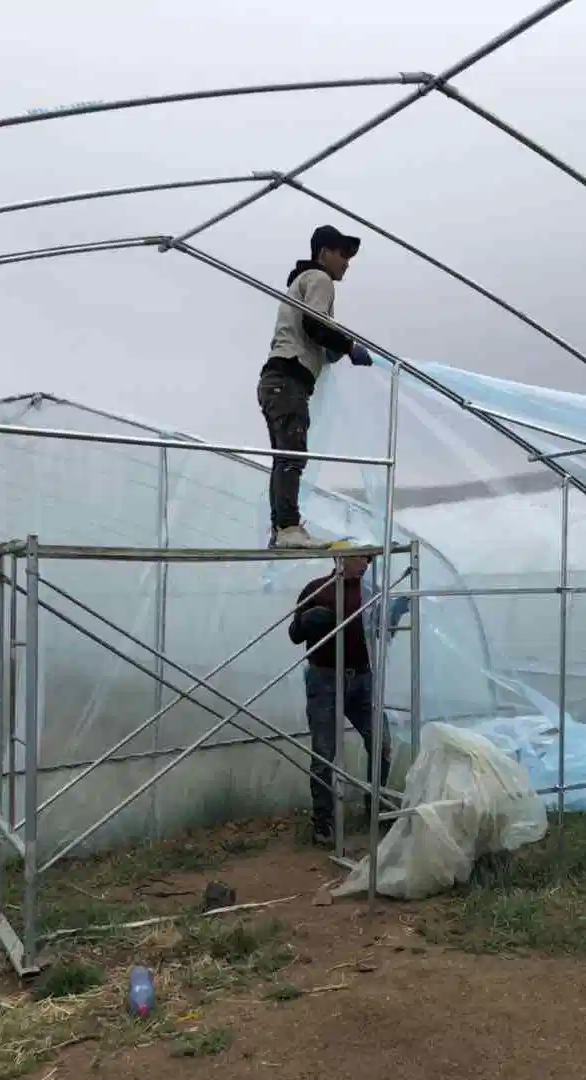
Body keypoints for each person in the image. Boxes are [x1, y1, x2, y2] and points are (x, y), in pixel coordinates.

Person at [257, 225, 375, 549]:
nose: (347, 262)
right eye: (342, 253)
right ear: (323, 252)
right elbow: (314, 323)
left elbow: (312, 329)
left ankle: (282, 529)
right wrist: (349, 345)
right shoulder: (319, 279)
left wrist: (332, 349)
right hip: (288, 378)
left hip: (277, 380)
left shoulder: (301, 281)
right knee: (293, 454)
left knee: (286, 456)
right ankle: (288, 528)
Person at [288, 552, 409, 846]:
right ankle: (323, 823)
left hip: (362, 679)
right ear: (340, 559)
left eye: (369, 559)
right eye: (361, 558)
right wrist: (307, 622)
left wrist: (395, 612)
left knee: (380, 742)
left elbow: (383, 632)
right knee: (323, 753)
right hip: (325, 678)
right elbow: (293, 635)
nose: (366, 564)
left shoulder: (372, 592)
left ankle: (374, 808)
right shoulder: (317, 589)